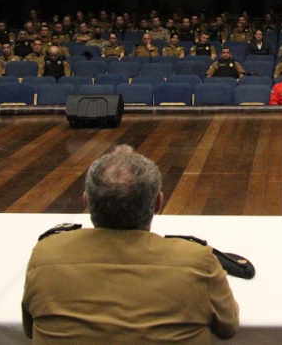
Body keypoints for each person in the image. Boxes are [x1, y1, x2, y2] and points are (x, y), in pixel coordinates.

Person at [22, 145, 239, 343]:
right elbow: (228, 328)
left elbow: (30, 329)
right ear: (158, 203)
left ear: (87, 201)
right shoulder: (199, 263)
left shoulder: (44, 257)